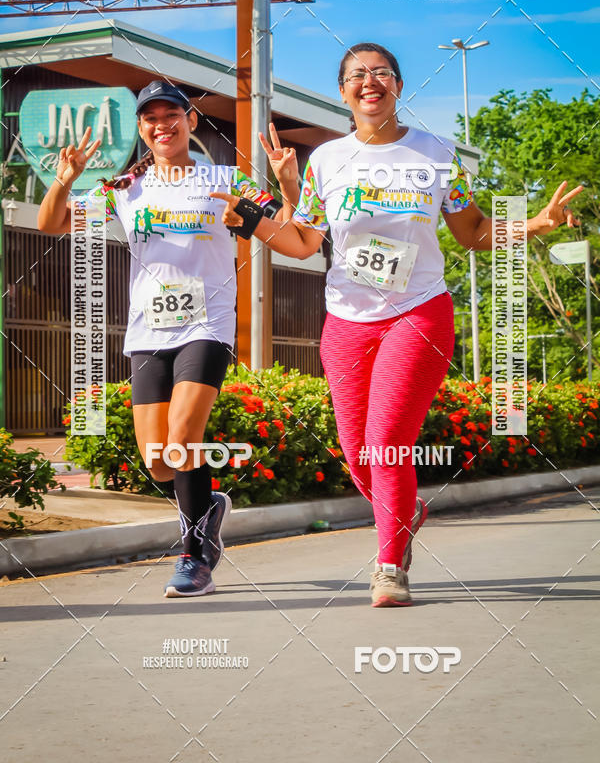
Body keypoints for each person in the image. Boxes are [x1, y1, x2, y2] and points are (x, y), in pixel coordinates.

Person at [213, 42, 583, 608]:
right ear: (343, 91)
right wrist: (251, 225)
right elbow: (303, 241)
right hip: (345, 322)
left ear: (399, 86)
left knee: (387, 444)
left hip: (419, 312)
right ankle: (405, 512)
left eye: (382, 72)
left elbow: (474, 232)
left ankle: (389, 565)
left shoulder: (437, 156)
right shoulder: (327, 161)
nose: (370, 82)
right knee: (358, 454)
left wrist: (536, 223)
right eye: (357, 75)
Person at [37, 80, 299, 598]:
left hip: (208, 324)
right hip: (147, 332)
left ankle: (195, 553)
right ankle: (210, 505)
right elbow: (52, 224)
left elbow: (291, 232)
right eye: (150, 118)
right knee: (159, 460)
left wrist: (288, 188)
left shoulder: (228, 177)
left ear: (190, 122)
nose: (162, 125)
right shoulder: (124, 188)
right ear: (141, 129)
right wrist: (64, 181)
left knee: (181, 442)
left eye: (171, 115)